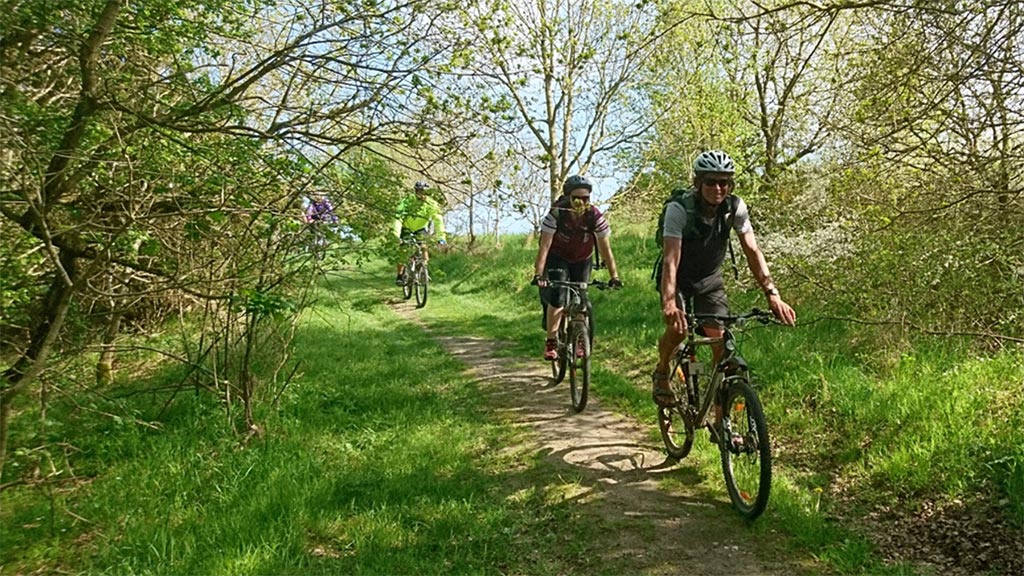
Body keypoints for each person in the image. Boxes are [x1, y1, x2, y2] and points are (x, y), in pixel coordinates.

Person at [653, 149, 796, 413]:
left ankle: (722, 423)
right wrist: (670, 303)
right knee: (679, 330)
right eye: (711, 181)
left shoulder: (735, 208)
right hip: (679, 281)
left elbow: (753, 251)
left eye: (724, 182)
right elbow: (671, 260)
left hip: (710, 280)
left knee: (722, 347)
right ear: (698, 182)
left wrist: (772, 294)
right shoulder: (679, 210)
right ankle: (662, 371)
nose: (718, 188)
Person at [533, 174, 623, 360]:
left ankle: (581, 340)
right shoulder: (556, 214)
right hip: (558, 258)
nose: (582, 202)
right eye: (577, 198)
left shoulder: (594, 216)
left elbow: (606, 248)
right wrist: (539, 274)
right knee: (558, 296)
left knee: (581, 299)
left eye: (586, 198)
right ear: (568, 198)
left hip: (583, 259)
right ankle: (551, 341)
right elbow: (544, 246)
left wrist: (614, 276)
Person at [393, 181, 447, 285]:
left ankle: (423, 270)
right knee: (404, 251)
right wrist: (395, 235)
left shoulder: (431, 204)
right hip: (406, 228)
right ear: (416, 191)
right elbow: (398, 218)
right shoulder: (407, 201)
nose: (422, 194)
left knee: (423, 247)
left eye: (424, 192)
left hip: (420, 229)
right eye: (419, 191)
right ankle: (400, 275)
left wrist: (441, 237)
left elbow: (438, 219)